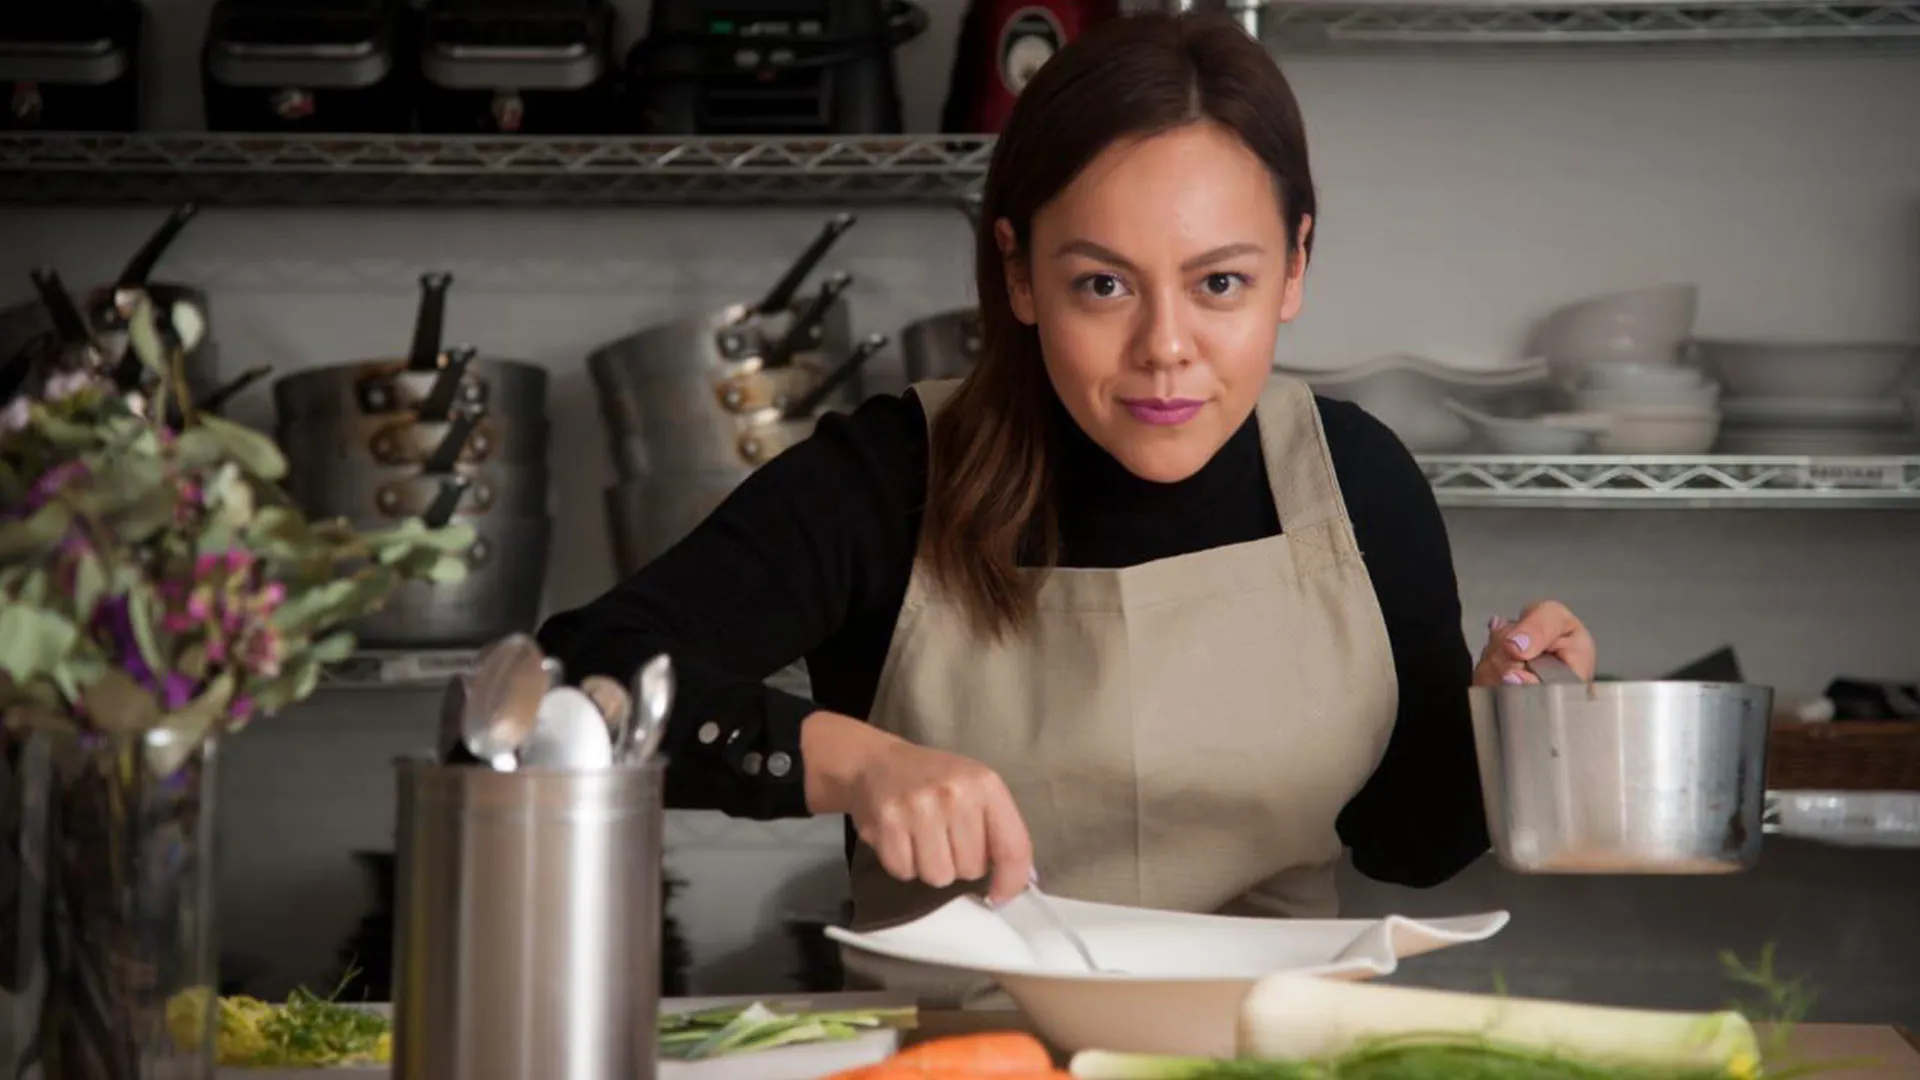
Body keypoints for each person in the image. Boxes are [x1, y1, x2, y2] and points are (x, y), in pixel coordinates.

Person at [537, 10, 1597, 933]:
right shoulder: (890, 474)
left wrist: (1505, 720)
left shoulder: (1356, 480)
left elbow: (1405, 843)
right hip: (962, 1061)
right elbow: (571, 687)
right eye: (1103, 285)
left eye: (1220, 282)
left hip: (1257, 1055)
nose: (1165, 347)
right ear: (1019, 273)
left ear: (1296, 269)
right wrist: (853, 763)